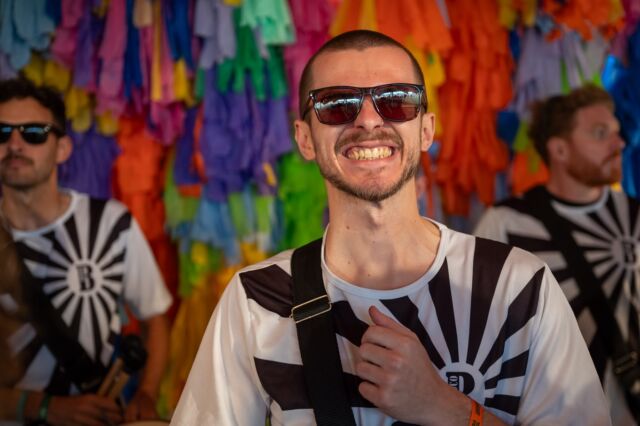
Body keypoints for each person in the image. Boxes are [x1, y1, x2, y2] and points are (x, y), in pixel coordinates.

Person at [172, 30, 610, 425]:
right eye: (336, 104)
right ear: (305, 139)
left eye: (396, 99)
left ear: (426, 129)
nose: (367, 120)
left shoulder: (519, 285)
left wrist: (448, 408)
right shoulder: (257, 301)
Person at [0, 78, 172, 425]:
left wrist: (146, 394)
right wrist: (46, 409)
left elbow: (155, 320)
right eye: (2, 132)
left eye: (33, 133)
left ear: (62, 149)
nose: (14, 144)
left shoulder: (112, 224)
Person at [474, 85, 638, 425]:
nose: (618, 144)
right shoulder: (504, 223)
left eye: (616, 133)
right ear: (560, 150)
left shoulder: (636, 215)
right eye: (599, 133)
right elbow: (479, 330)